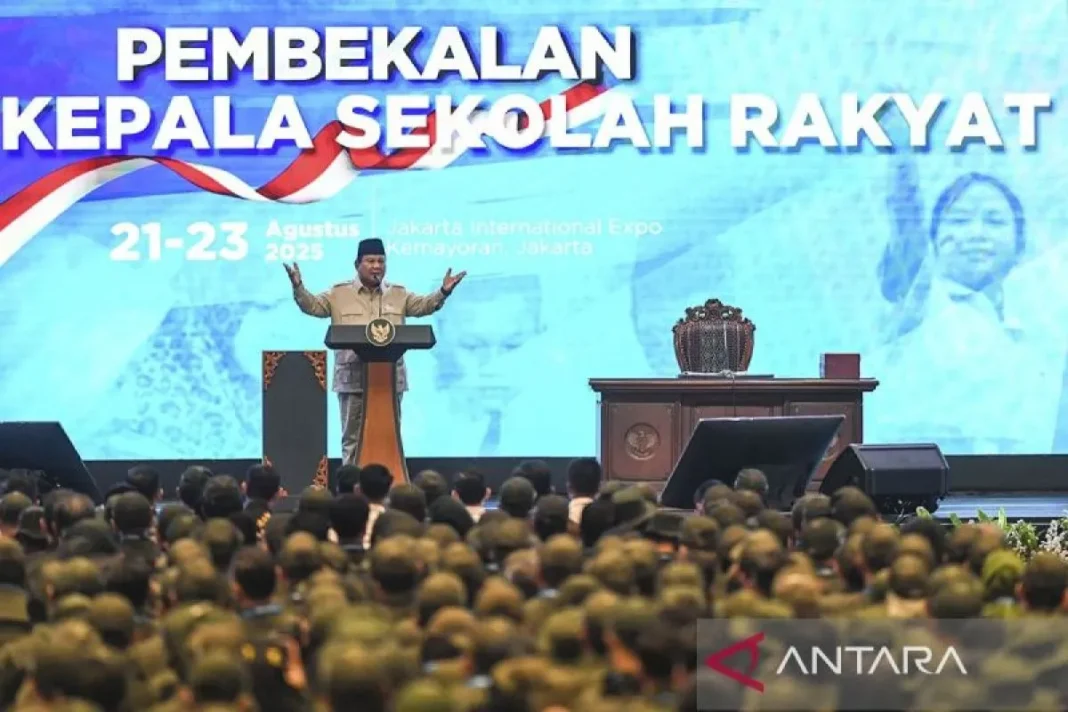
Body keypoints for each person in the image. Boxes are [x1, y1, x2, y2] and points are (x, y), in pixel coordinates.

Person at [285, 238, 466, 465]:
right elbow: (312, 306)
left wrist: (443, 292)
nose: (377, 266)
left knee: (388, 438)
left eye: (381, 261)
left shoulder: (398, 294)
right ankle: (352, 484)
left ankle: (387, 483)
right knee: (352, 439)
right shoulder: (338, 293)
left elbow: (423, 306)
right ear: (357, 264)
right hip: (353, 378)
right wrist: (298, 288)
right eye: (370, 261)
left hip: (388, 380)